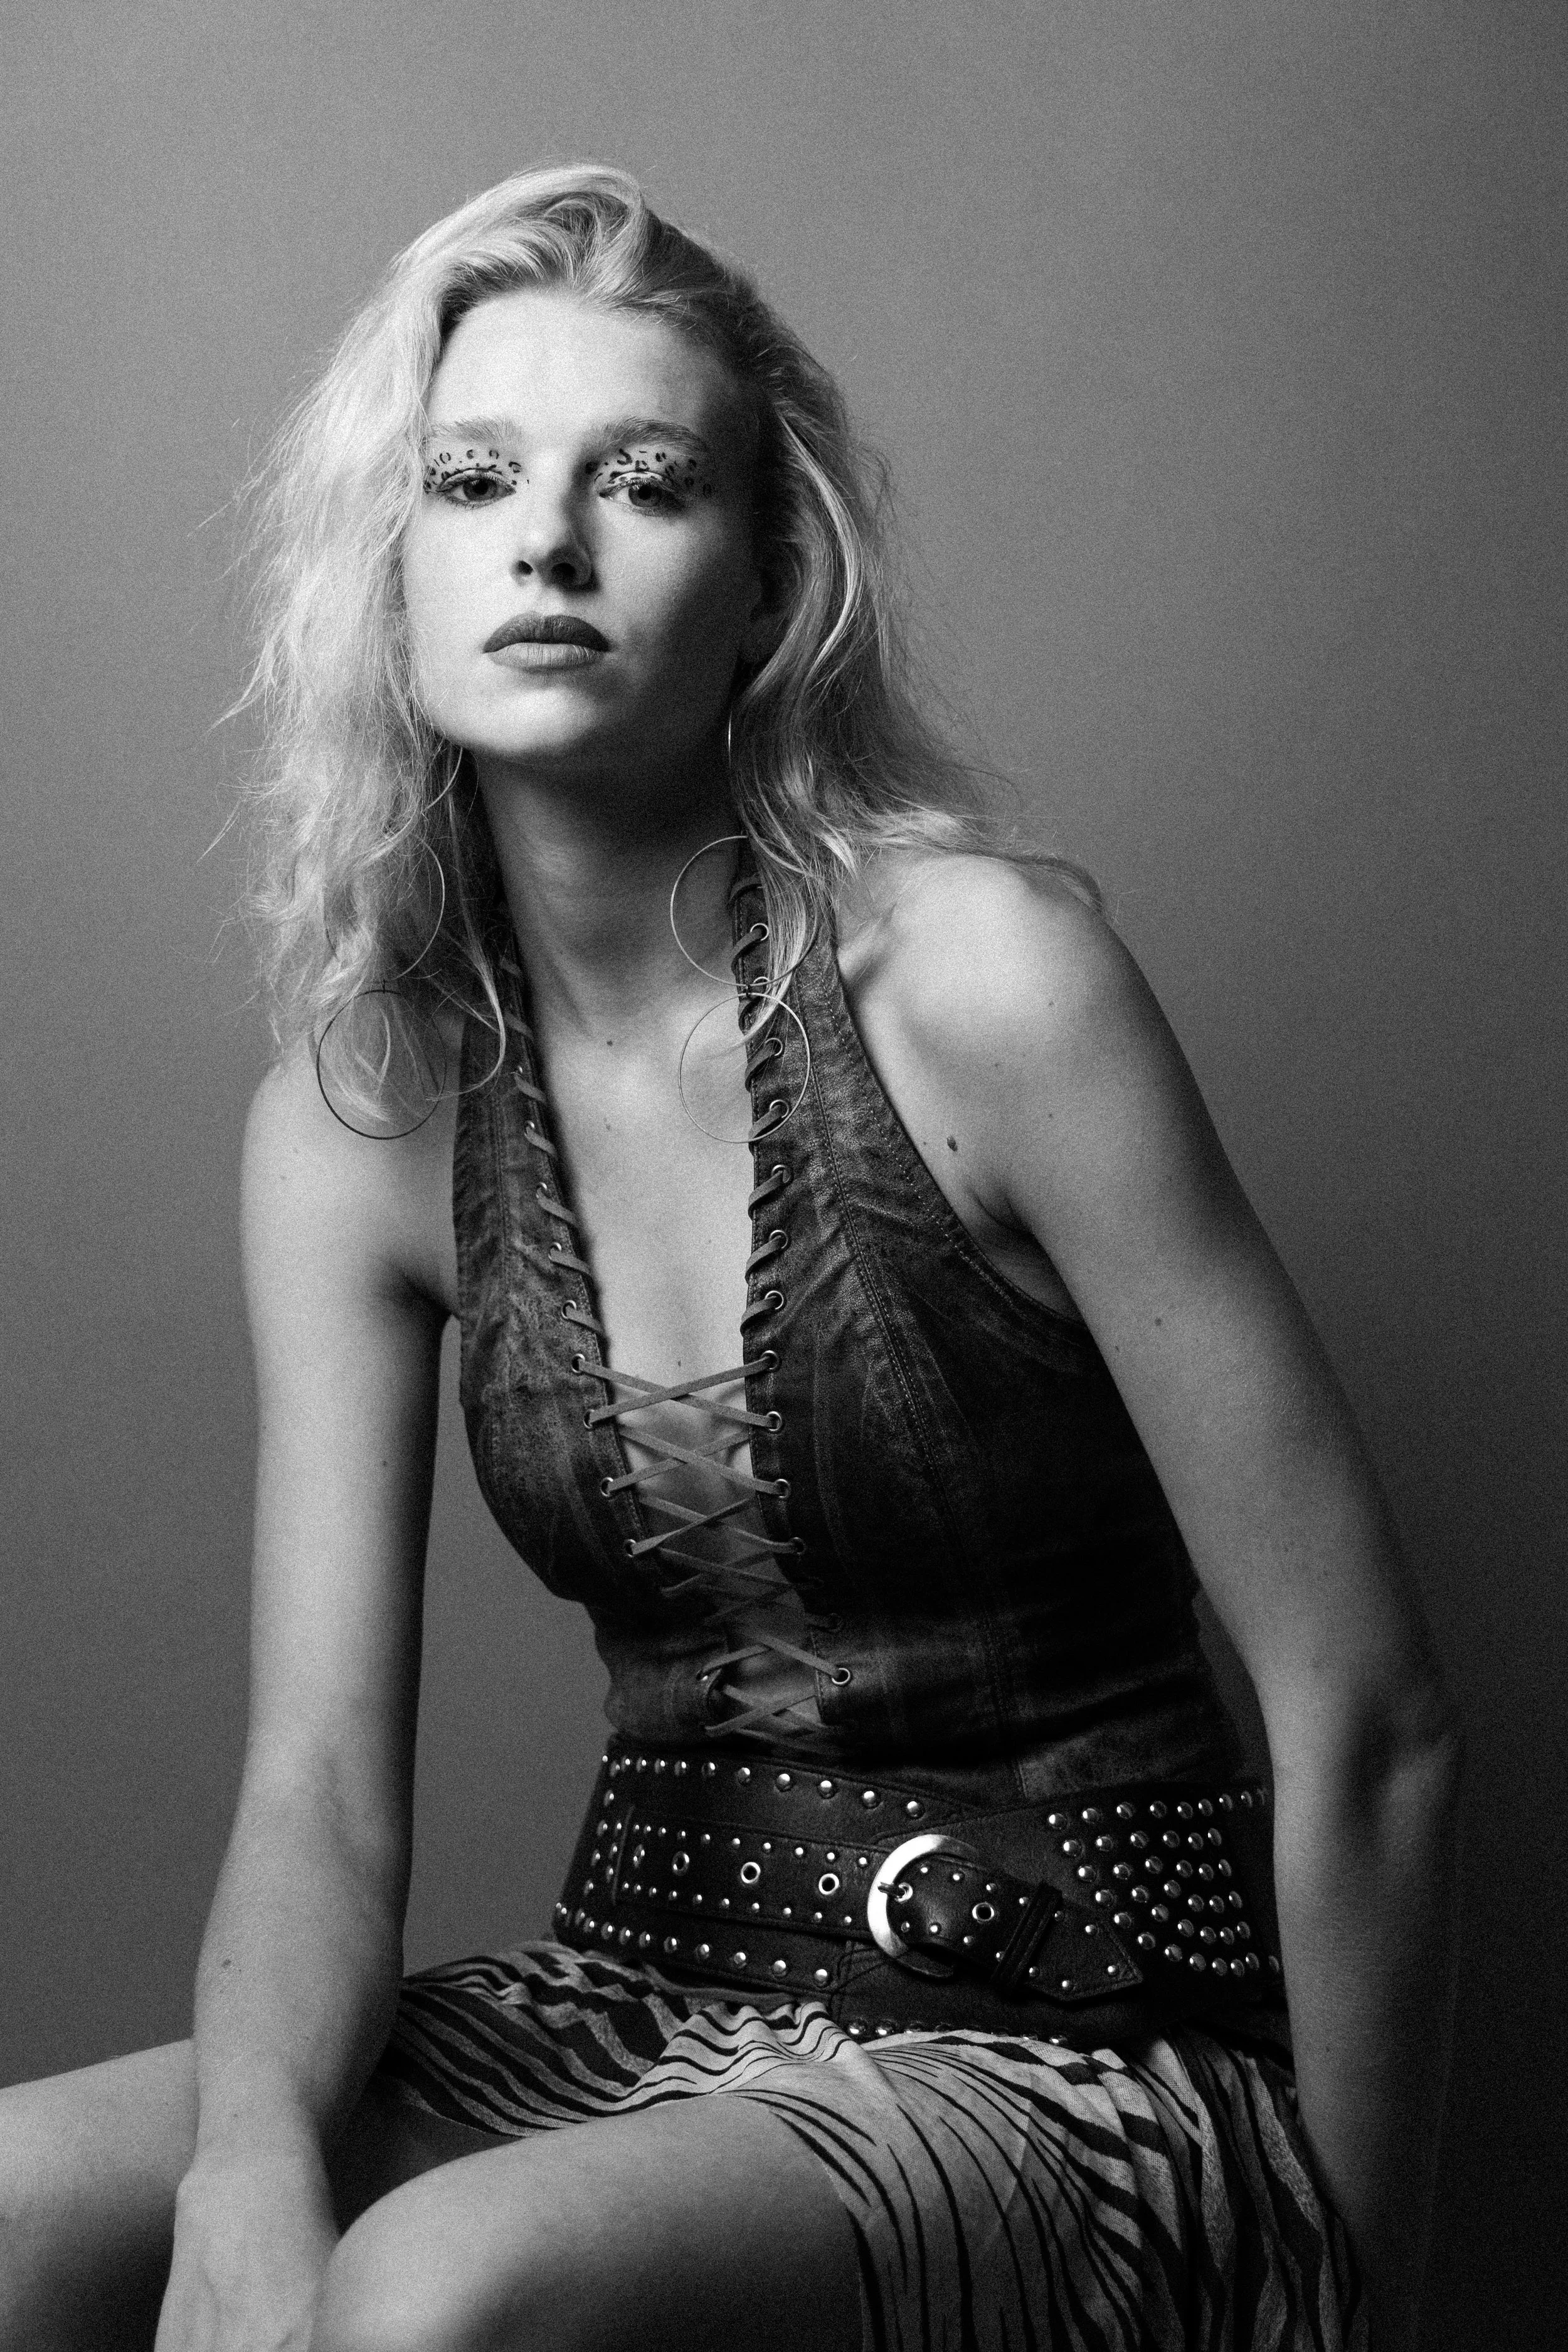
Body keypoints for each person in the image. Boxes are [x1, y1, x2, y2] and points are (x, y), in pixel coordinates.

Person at [0, 164, 1461, 2352]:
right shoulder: (358, 1120)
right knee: (20, 2203)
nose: (548, 542)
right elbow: (315, 1785)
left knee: (433, 2292)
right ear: (385, 563)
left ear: (770, 578)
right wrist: (244, 2165)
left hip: (1083, 2048)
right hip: (640, 2001)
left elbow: (1370, 1727)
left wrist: (1344, 2295)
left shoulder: (981, 981)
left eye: (647, 480)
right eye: (474, 475)